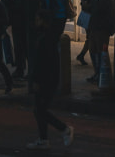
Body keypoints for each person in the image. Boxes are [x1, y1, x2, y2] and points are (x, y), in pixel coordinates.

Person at [27, 9, 74, 150]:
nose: (35, 22)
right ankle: (43, 139)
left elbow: (42, 62)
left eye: (37, 19)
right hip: (49, 79)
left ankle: (64, 129)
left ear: (42, 21)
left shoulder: (44, 39)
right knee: (39, 109)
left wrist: (36, 80)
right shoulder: (48, 37)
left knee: (40, 109)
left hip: (45, 80)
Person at [86, 0, 115, 85]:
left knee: (101, 53)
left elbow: (110, 17)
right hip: (95, 29)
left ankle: (104, 75)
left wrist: (109, 30)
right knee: (93, 50)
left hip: (102, 30)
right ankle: (97, 73)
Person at [2, 0, 28, 79]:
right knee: (17, 46)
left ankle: (25, 68)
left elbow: (26, 1)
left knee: (24, 46)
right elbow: (4, 0)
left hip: (22, 20)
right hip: (13, 20)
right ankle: (19, 68)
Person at [75, 0, 96, 66]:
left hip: (93, 16)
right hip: (88, 16)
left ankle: (81, 55)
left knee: (90, 38)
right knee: (90, 37)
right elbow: (84, 5)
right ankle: (82, 55)